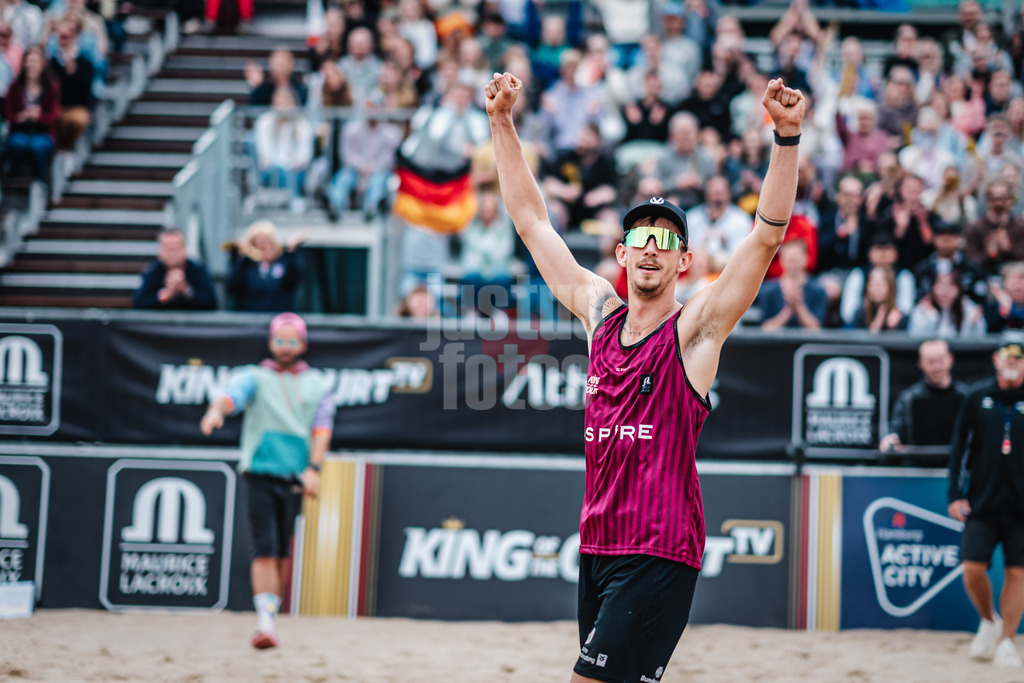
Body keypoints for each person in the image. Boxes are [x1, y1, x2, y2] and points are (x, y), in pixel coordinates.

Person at [485, 70, 805, 683]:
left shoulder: (696, 329)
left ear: (684, 259)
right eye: (640, 237)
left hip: (659, 548)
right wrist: (501, 122)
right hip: (598, 547)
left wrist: (785, 139)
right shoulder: (600, 311)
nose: (651, 248)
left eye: (666, 240)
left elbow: (766, 240)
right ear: (622, 252)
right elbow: (532, 222)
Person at [200, 313, 335, 650]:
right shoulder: (255, 376)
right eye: (280, 340)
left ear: (302, 344)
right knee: (264, 548)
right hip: (259, 473)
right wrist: (218, 410)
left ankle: (270, 616)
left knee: (280, 553)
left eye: (292, 341)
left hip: (294, 477)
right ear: (271, 342)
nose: (286, 347)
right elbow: (232, 395)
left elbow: (322, 430)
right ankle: (265, 621)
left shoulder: (318, 383)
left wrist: (314, 469)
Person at [948, 329, 1024, 669]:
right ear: (995, 360)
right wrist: (954, 495)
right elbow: (958, 449)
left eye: (1019, 357)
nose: (1013, 362)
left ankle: (1008, 640)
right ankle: (988, 621)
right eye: (1007, 356)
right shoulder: (977, 397)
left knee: (1018, 574)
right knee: (972, 569)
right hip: (982, 501)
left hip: (1021, 507)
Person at [880, 338, 968, 452]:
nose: (937, 367)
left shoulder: (966, 396)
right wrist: (890, 439)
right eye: (930, 362)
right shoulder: (908, 398)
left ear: (950, 359)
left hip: (955, 464)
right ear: (920, 363)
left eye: (940, 360)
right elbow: (896, 431)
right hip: (917, 466)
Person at [227, 220, 305, 313]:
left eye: (266, 242)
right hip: (248, 323)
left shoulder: (285, 263)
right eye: (258, 244)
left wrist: (291, 250)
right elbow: (233, 288)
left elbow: (295, 280)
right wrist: (243, 258)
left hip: (278, 322)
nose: (263, 248)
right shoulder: (246, 267)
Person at [133, 229, 217, 310]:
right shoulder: (152, 271)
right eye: (168, 248)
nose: (172, 253)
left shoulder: (199, 270)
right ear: (160, 251)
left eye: (176, 248)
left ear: (185, 249)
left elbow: (211, 303)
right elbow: (138, 304)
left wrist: (186, 291)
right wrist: (162, 296)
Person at [758, 238, 827, 330]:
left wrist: (799, 306)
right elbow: (764, 329)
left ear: (806, 259)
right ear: (782, 260)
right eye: (790, 260)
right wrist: (787, 312)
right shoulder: (767, 291)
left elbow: (817, 329)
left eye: (796, 260)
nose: (793, 264)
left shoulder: (818, 290)